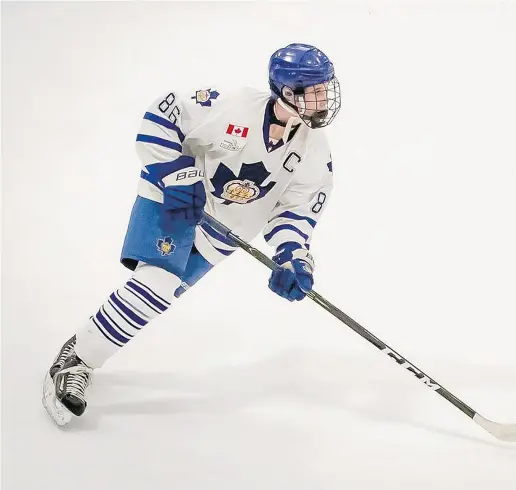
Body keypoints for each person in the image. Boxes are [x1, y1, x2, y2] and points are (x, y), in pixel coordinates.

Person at [42, 43, 341, 426]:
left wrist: (292, 255)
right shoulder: (230, 104)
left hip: (224, 232)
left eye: (325, 88)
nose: (322, 99)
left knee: (154, 300)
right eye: (313, 90)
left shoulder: (315, 150)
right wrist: (175, 172)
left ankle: (83, 344)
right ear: (286, 90)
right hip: (174, 199)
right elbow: (159, 117)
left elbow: (296, 211)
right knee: (156, 284)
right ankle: (74, 362)